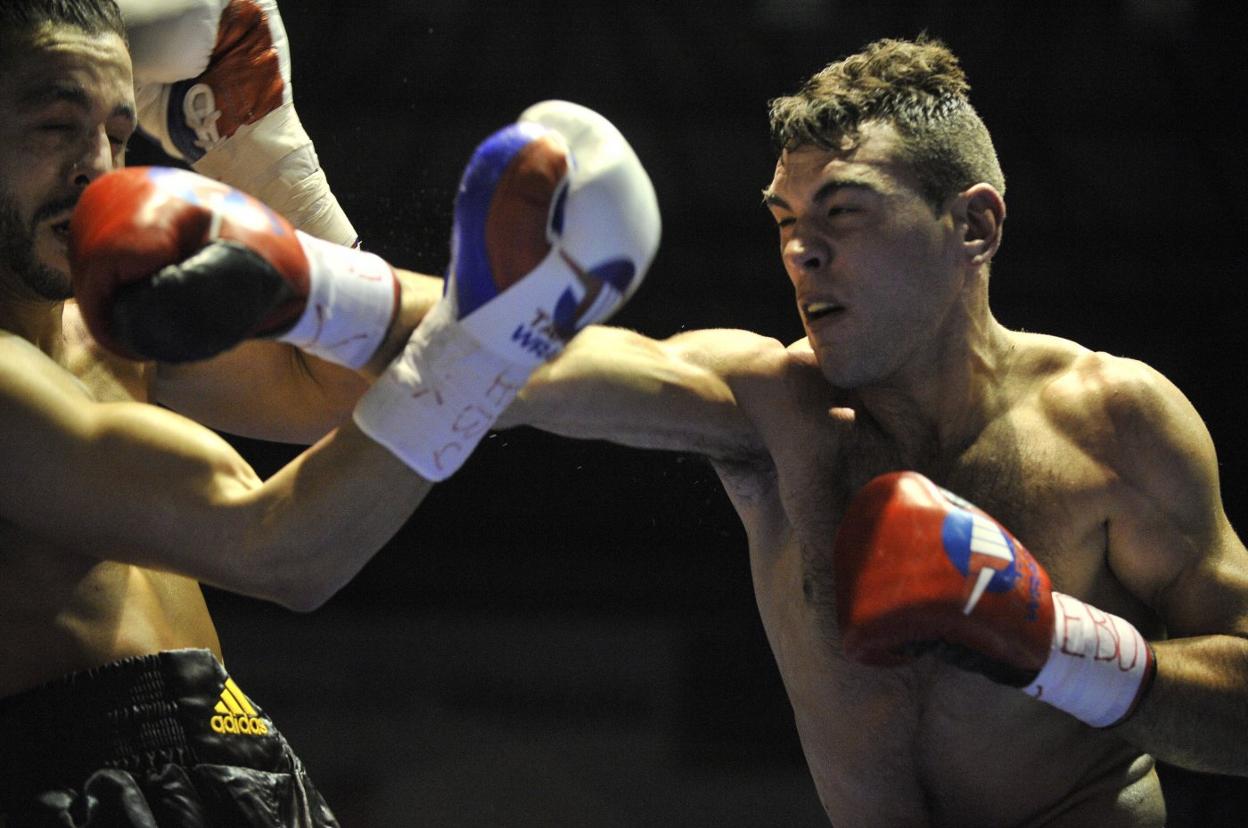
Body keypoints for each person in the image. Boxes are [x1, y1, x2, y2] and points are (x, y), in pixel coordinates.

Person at [495, 35, 1248, 826]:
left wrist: (1055, 646)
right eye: (783, 220)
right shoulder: (776, 406)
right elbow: (547, 371)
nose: (799, 251)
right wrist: (361, 302)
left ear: (973, 226)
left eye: (843, 211)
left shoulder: (1112, 423)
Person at [0, 0, 658, 823]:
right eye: (57, 126)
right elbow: (278, 546)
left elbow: (336, 387)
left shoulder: (111, 324)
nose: (97, 166)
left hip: (229, 762)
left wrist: (264, 150)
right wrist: (501, 329)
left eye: (121, 134)